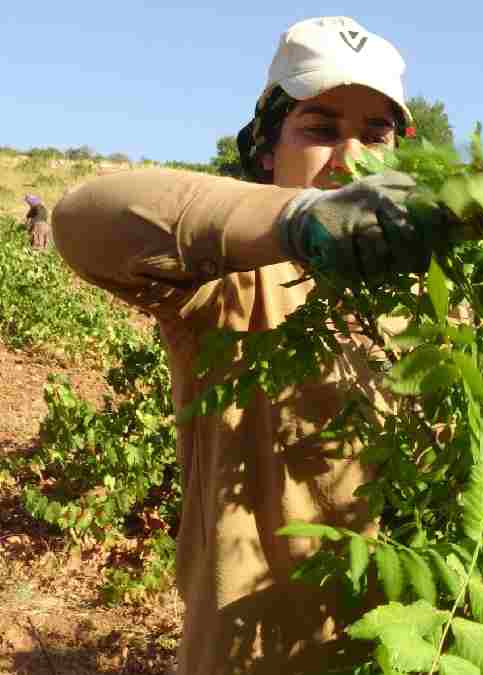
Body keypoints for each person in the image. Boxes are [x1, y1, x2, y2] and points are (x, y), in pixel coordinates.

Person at [53, 17, 453, 675]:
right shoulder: (230, 285)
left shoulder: (429, 301)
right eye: (319, 130)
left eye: (375, 134)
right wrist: (298, 223)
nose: (350, 159)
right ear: (268, 147)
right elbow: (81, 219)